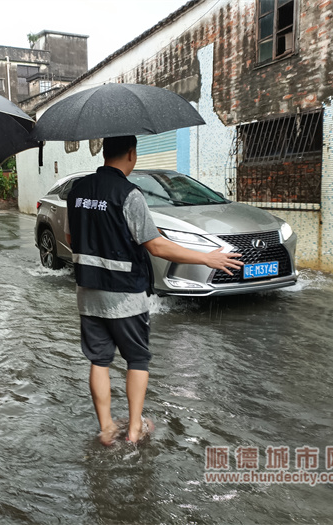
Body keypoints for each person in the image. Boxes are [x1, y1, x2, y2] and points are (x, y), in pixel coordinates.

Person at [66, 135, 243, 446]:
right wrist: (207, 257)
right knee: (137, 360)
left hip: (87, 293)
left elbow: (71, 234)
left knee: (99, 360)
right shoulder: (128, 194)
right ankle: (135, 430)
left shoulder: (77, 191)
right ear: (131, 154)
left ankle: (107, 429)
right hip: (125, 295)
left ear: (105, 152)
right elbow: (156, 246)